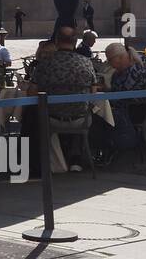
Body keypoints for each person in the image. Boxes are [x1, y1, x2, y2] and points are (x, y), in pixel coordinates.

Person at [23, 27, 97, 173]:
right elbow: (93, 93)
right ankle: (76, 158)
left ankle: (34, 163)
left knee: (29, 115)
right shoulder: (87, 63)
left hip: (51, 117)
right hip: (80, 118)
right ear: (75, 42)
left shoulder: (45, 64)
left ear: (56, 41)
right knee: (86, 110)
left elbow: (31, 93)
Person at [96, 43, 146, 164]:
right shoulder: (117, 73)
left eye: (110, 60)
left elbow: (124, 96)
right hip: (120, 107)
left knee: (98, 117)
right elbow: (117, 93)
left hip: (132, 111)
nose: (109, 64)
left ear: (120, 57)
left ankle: (106, 148)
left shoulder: (136, 72)